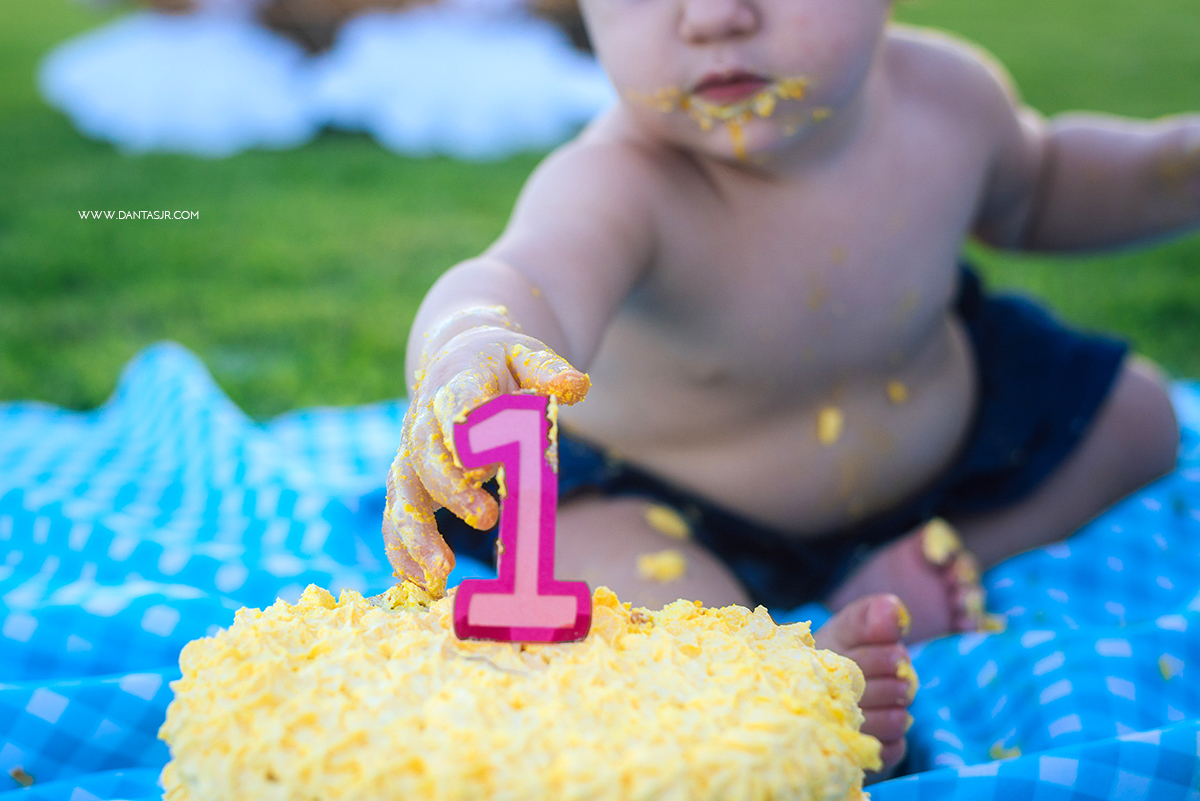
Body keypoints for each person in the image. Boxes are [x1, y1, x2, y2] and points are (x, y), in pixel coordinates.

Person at [380, 0, 1193, 772]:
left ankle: (942, 555)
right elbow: (529, 277)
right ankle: (780, 687)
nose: (712, 18)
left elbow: (1046, 185)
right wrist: (474, 339)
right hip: (675, 503)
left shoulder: (949, 101)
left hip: (947, 450)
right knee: (617, 577)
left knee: (1140, 416)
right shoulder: (621, 181)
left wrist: (1173, 166)